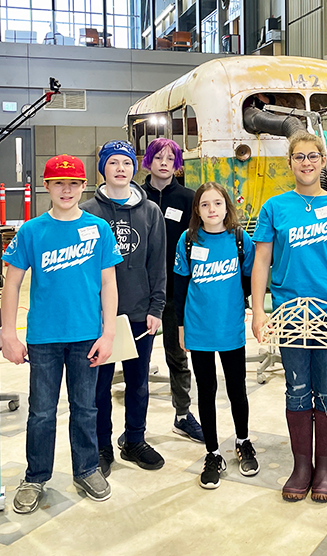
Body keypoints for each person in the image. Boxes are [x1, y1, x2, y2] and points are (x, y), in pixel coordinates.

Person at [251, 130, 327, 503]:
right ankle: (302, 465)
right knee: (298, 388)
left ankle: (326, 466)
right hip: (289, 315)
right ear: (290, 163)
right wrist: (257, 311)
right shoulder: (274, 207)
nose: (306, 163)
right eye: (299, 157)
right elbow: (261, 262)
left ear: (323, 161)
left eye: (312, 156)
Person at [0, 154, 121, 514]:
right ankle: (36, 476)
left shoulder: (98, 229)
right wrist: (8, 332)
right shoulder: (32, 231)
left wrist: (109, 332)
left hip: (87, 336)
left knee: (86, 408)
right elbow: (12, 282)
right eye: (58, 183)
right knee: (41, 412)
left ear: (83, 186)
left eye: (73, 183)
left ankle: (86, 468)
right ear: (47, 187)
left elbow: (109, 282)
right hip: (44, 339)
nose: (66, 190)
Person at [82, 140, 167, 472]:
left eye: (127, 163)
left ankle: (134, 439)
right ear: (102, 168)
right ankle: (103, 445)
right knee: (100, 386)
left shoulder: (150, 213)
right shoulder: (88, 212)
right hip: (101, 318)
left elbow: (156, 263)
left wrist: (156, 307)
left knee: (138, 382)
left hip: (138, 313)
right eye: (114, 162)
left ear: (135, 168)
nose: (121, 169)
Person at [174, 182, 256, 489]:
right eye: (205, 204)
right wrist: (181, 327)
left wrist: (241, 303)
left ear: (226, 207)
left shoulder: (239, 239)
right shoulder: (188, 240)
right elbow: (180, 287)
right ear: (197, 210)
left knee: (237, 388)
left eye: (217, 204)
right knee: (206, 391)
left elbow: (250, 277)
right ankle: (212, 452)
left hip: (230, 328)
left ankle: (243, 441)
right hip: (198, 329)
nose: (212, 210)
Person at [142, 138, 204, 443]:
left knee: (178, 356)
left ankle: (182, 415)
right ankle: (134, 426)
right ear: (149, 161)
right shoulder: (134, 196)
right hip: (139, 292)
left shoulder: (188, 198)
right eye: (159, 157)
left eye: (171, 158)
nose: (164, 163)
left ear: (177, 164)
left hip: (175, 291)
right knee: (135, 358)